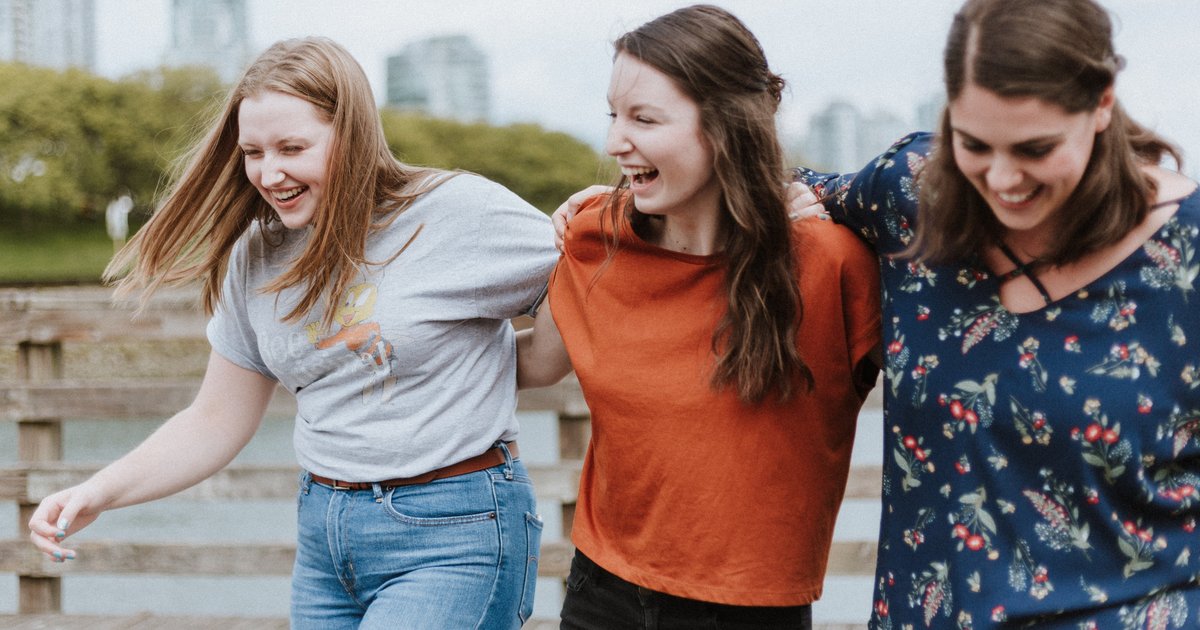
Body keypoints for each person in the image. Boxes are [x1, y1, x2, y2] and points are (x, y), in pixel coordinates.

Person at [27, 37, 556, 629]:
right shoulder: (256, 255)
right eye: (253, 152)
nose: (268, 173)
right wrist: (98, 491)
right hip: (326, 536)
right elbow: (215, 420)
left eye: (292, 148)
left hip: (454, 533)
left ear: (351, 134)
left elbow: (584, 287)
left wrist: (518, 359)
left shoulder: (457, 213)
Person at [789, 0, 1200, 626]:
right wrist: (611, 210)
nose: (1003, 178)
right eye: (974, 144)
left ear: (1102, 104)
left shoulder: (1187, 256)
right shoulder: (913, 191)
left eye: (1035, 148)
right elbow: (779, 188)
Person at [518, 5, 882, 628]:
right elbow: (534, 364)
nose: (613, 142)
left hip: (748, 610)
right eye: (613, 115)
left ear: (726, 127)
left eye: (644, 118)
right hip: (598, 595)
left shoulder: (832, 262)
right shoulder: (592, 237)